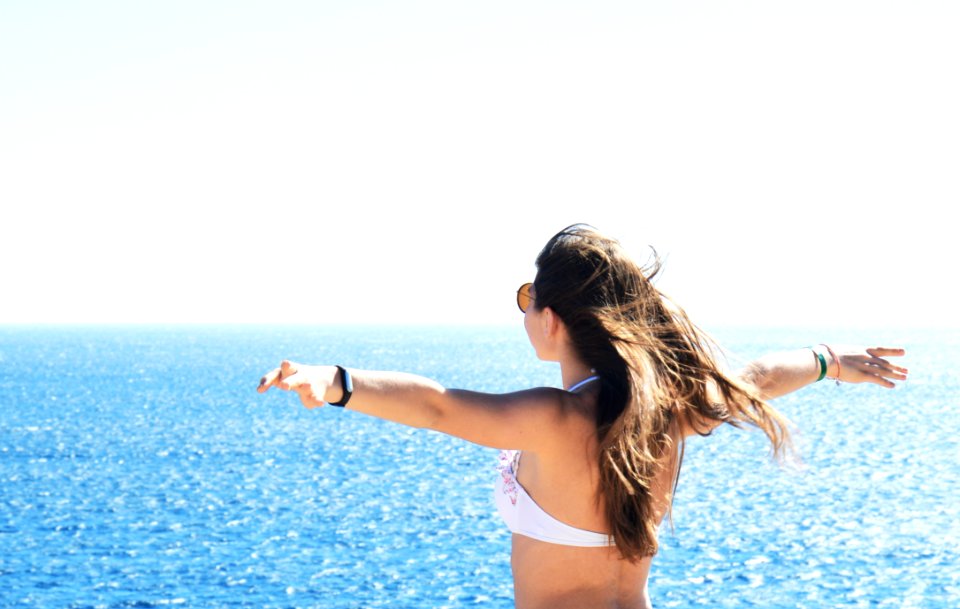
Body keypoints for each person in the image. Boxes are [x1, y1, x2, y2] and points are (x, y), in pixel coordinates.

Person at [257, 225, 908, 609]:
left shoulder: (557, 418)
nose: (524, 309)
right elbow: (757, 378)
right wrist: (828, 359)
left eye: (527, 296)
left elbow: (437, 405)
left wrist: (337, 382)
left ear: (553, 318)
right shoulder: (667, 410)